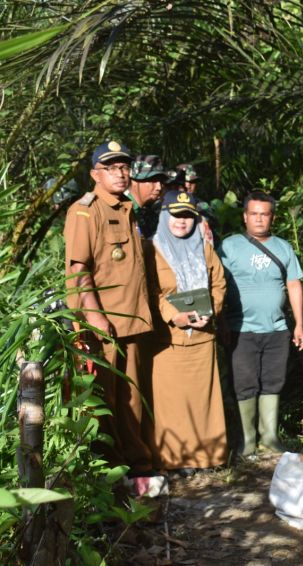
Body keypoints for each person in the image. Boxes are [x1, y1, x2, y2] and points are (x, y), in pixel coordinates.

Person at [64, 140, 158, 495]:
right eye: (111, 168)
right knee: (105, 398)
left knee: (130, 396)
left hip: (130, 320)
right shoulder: (85, 211)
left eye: (123, 167)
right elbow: (78, 270)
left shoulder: (127, 208)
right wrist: (95, 317)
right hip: (103, 324)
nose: (120, 173)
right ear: (94, 174)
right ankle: (109, 472)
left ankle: (137, 466)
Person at [144, 190, 228, 475]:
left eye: (188, 216)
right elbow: (149, 291)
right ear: (165, 216)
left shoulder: (204, 248)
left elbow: (219, 283)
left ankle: (205, 457)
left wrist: (211, 311)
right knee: (172, 403)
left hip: (202, 338)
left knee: (202, 401)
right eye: (176, 215)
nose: (182, 222)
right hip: (169, 341)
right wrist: (172, 316)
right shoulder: (151, 249)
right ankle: (174, 460)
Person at [219, 191, 303, 457]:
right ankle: (246, 441)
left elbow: (293, 284)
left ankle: (269, 439)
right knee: (244, 384)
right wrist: (220, 321)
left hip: (277, 329)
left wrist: (299, 324)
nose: (259, 219)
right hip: (240, 329)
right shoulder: (229, 246)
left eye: (264, 214)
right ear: (245, 216)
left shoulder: (283, 247)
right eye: (254, 214)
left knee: (272, 382)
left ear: (272, 217)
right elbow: (217, 285)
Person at [127, 154, 169, 238]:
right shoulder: (123, 210)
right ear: (134, 182)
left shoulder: (148, 211)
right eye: (152, 181)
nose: (159, 187)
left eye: (161, 182)